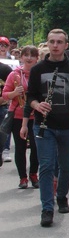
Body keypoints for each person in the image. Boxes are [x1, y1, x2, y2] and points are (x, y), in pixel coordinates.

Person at [24, 29, 69, 227]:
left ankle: (62, 195)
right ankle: (47, 208)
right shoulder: (37, 69)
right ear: (48, 43)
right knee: (46, 165)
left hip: (68, 125)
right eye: (51, 41)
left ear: (66, 45)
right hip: (44, 126)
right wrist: (37, 105)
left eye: (59, 42)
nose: (55, 45)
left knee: (66, 165)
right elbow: (30, 97)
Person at [3, 46, 39, 188]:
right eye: (26, 55)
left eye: (32, 55)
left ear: (37, 58)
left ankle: (34, 174)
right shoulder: (14, 74)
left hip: (36, 116)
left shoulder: (38, 73)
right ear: (21, 57)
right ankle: (23, 178)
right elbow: (5, 94)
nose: (29, 58)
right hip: (18, 115)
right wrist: (15, 93)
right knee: (20, 147)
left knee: (36, 147)